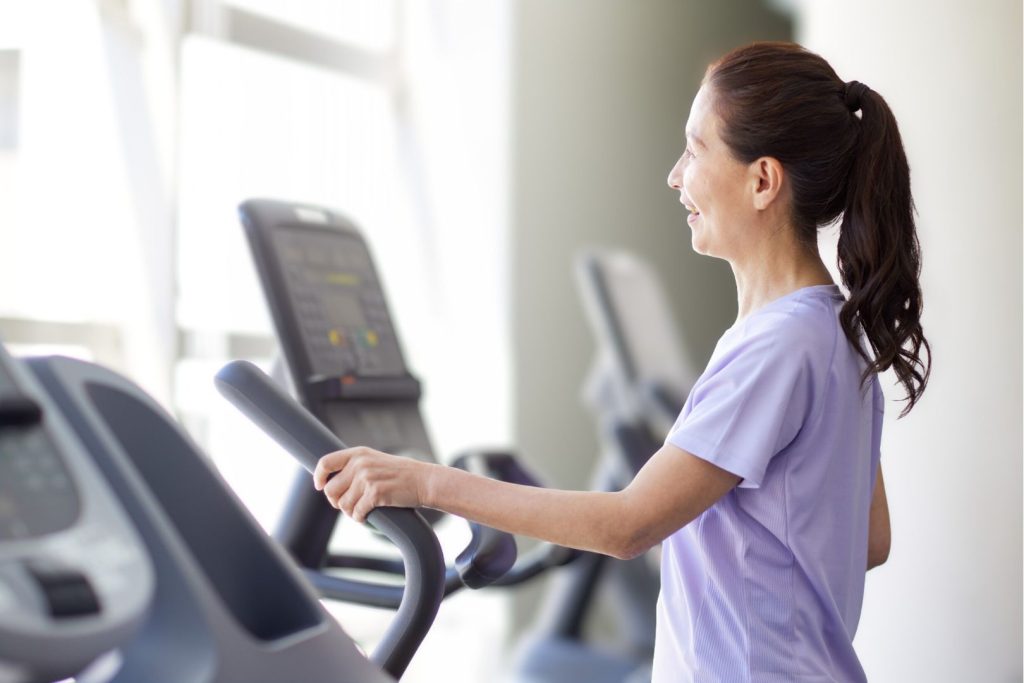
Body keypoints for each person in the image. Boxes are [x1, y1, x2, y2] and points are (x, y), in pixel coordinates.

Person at [312, 42, 931, 682]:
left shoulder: (774, 349)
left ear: (763, 181)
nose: (675, 175)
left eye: (695, 150)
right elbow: (869, 539)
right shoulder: (835, 330)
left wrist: (425, 483)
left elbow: (628, 526)